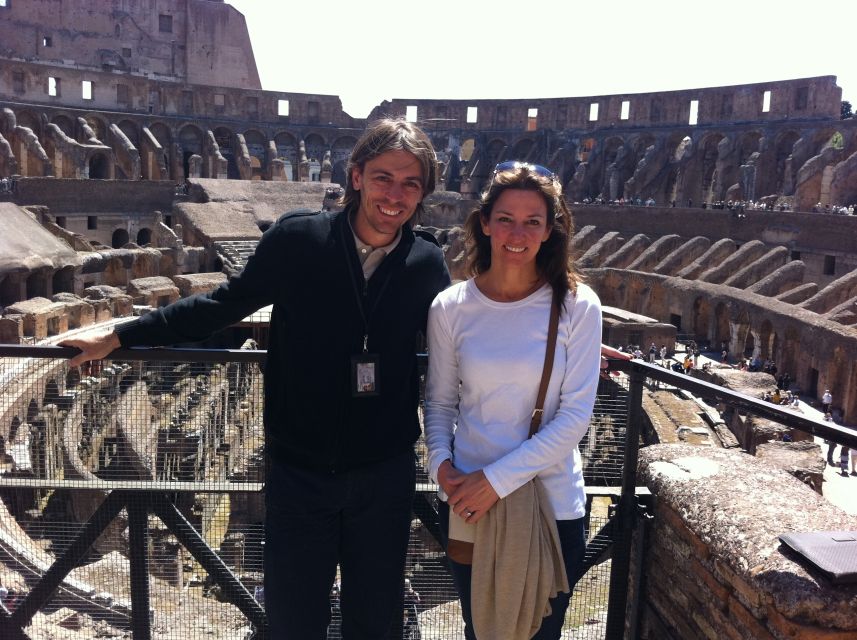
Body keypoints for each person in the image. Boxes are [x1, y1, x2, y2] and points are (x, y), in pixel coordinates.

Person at [60, 118, 452, 639]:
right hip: (300, 469)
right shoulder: (298, 239)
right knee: (293, 619)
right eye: (383, 177)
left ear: (423, 192)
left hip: (384, 473)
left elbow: (463, 339)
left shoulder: (427, 262)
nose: (395, 194)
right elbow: (223, 306)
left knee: (377, 622)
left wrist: (570, 337)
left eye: (410, 183)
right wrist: (119, 337)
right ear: (357, 176)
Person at [425, 161, 602, 639]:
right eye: (505, 219)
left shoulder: (577, 305)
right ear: (485, 223)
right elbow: (439, 404)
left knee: (538, 633)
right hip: (465, 502)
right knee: (478, 628)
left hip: (549, 504)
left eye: (532, 221)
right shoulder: (451, 307)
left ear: (550, 230)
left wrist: (494, 482)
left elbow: (574, 419)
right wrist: (441, 467)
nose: (517, 233)